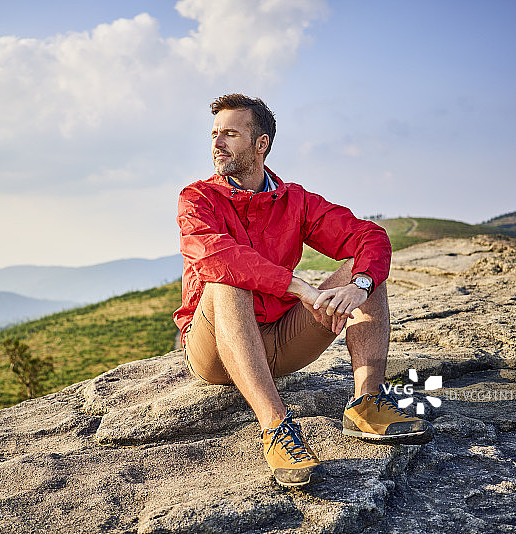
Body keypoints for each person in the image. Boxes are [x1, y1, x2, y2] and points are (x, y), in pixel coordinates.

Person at [174, 94, 434, 487]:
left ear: (261, 144)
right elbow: (217, 257)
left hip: (280, 341)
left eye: (230, 133)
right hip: (215, 352)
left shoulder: (294, 200)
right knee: (228, 278)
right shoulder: (197, 199)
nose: (217, 143)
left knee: (363, 273)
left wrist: (359, 287)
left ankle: (366, 403)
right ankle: (276, 429)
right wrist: (299, 288)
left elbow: (370, 237)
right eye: (214, 134)